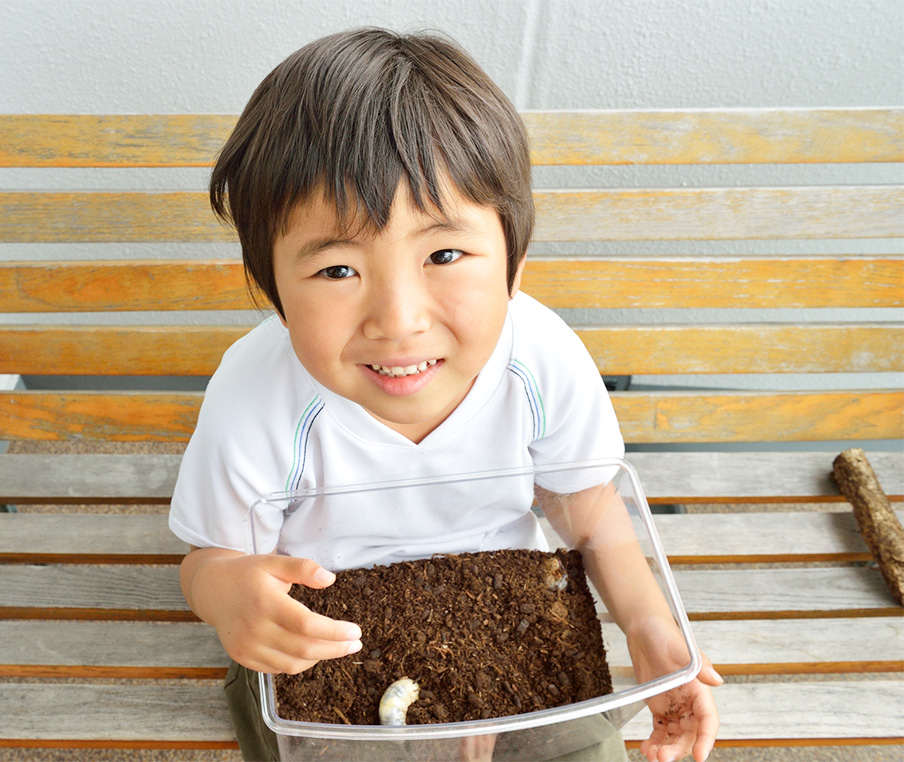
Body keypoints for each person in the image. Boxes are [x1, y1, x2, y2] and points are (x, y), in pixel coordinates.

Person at [169, 27, 721, 762]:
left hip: (515, 618)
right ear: (273, 290)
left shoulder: (542, 357)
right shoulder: (254, 401)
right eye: (337, 270)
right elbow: (210, 560)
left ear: (513, 265)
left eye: (445, 254)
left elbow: (587, 508)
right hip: (332, 635)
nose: (397, 320)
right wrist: (226, 593)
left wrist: (651, 628)